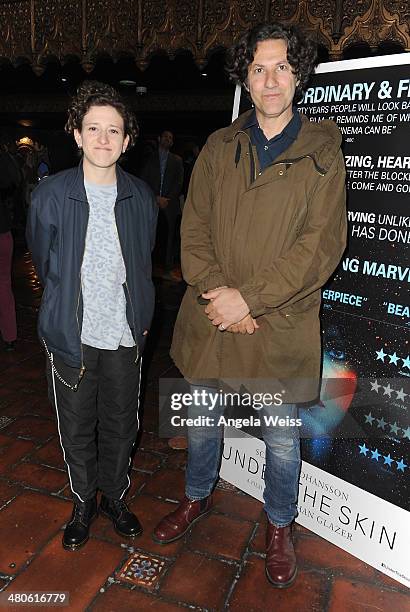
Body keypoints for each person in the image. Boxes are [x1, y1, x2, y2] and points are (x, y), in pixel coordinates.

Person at [152, 23, 347, 588]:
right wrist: (221, 296)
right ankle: (195, 498)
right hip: (214, 318)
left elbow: (320, 247)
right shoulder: (219, 146)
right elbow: (194, 230)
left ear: (298, 75)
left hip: (277, 323)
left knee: (282, 437)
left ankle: (280, 524)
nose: (270, 79)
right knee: (205, 421)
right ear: (245, 76)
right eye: (258, 68)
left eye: (282, 67)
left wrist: (250, 300)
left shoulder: (323, 154)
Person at [26, 81, 157, 551]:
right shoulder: (50, 196)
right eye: (93, 128)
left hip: (124, 335)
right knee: (77, 425)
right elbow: (43, 262)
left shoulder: (141, 197)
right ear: (77, 135)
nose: (103, 138)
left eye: (113, 130)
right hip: (72, 336)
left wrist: (141, 315)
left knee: (123, 425)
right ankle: (83, 502)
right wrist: (62, 311)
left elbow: (144, 263)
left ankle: (114, 499)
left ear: (126, 140)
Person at [140, 130, 184, 278]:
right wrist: (154, 198)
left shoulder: (177, 160)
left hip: (169, 204)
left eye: (171, 138)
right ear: (159, 138)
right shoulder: (148, 158)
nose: (168, 139)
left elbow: (179, 182)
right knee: (149, 235)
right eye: (165, 136)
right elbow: (142, 180)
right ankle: (147, 267)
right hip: (151, 203)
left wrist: (167, 199)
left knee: (169, 236)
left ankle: (167, 267)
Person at [0, 146, 19, 351]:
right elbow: (14, 179)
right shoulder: (4, 160)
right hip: (3, 231)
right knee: (4, 285)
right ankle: (10, 336)